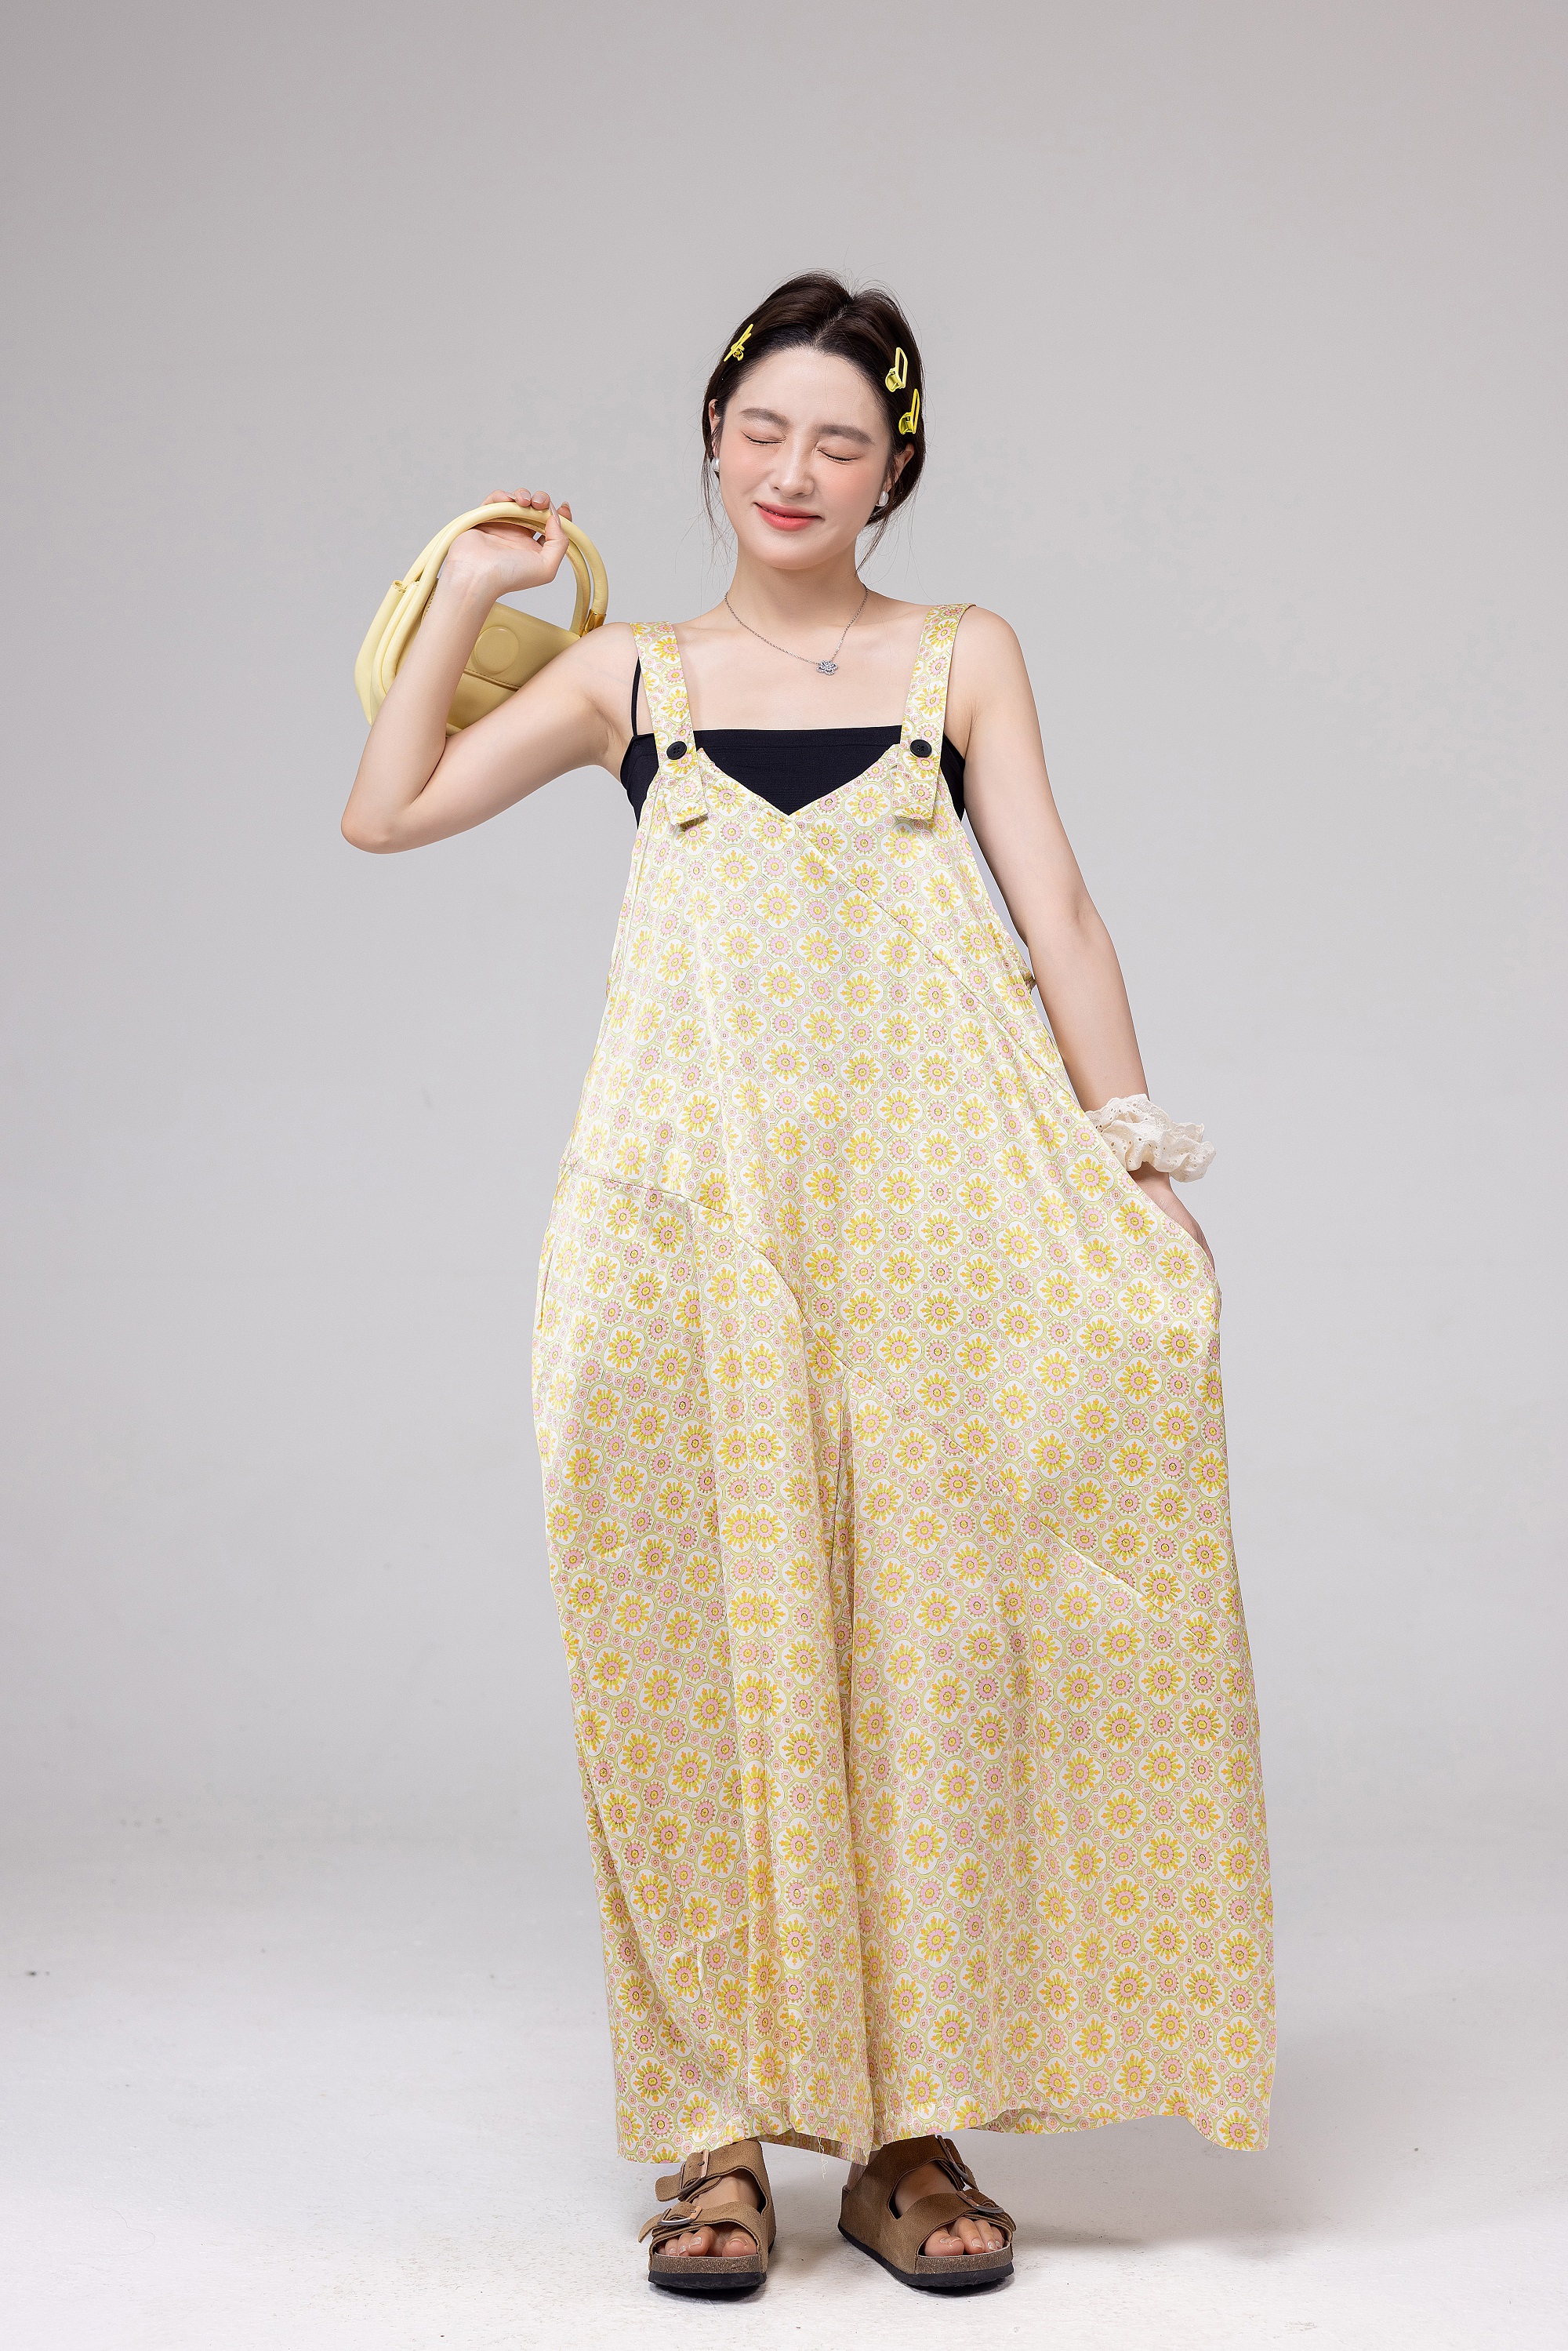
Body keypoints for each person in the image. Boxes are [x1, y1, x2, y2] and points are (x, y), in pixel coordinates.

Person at [342, 271, 1274, 2298]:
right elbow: (384, 808)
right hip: (687, 1230)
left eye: (839, 439)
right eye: (762, 428)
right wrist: (467, 586)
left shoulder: (960, 658)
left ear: (892, 468)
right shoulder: (634, 680)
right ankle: (710, 2129)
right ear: (713, 436)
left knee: (925, 1650)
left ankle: (901, 2129)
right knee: (690, 1649)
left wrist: (1133, 1155)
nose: (793, 468)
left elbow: (1062, 909)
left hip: (936, 1233)